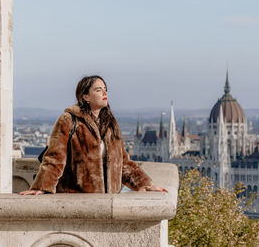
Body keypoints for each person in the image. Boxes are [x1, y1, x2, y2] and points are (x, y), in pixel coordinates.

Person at [19, 75, 167, 195]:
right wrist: (41, 187)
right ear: (85, 97)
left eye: (105, 89)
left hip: (108, 201)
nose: (104, 93)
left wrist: (145, 184)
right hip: (76, 199)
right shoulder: (69, 120)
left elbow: (123, 163)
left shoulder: (110, 124)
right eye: (98, 90)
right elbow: (55, 158)